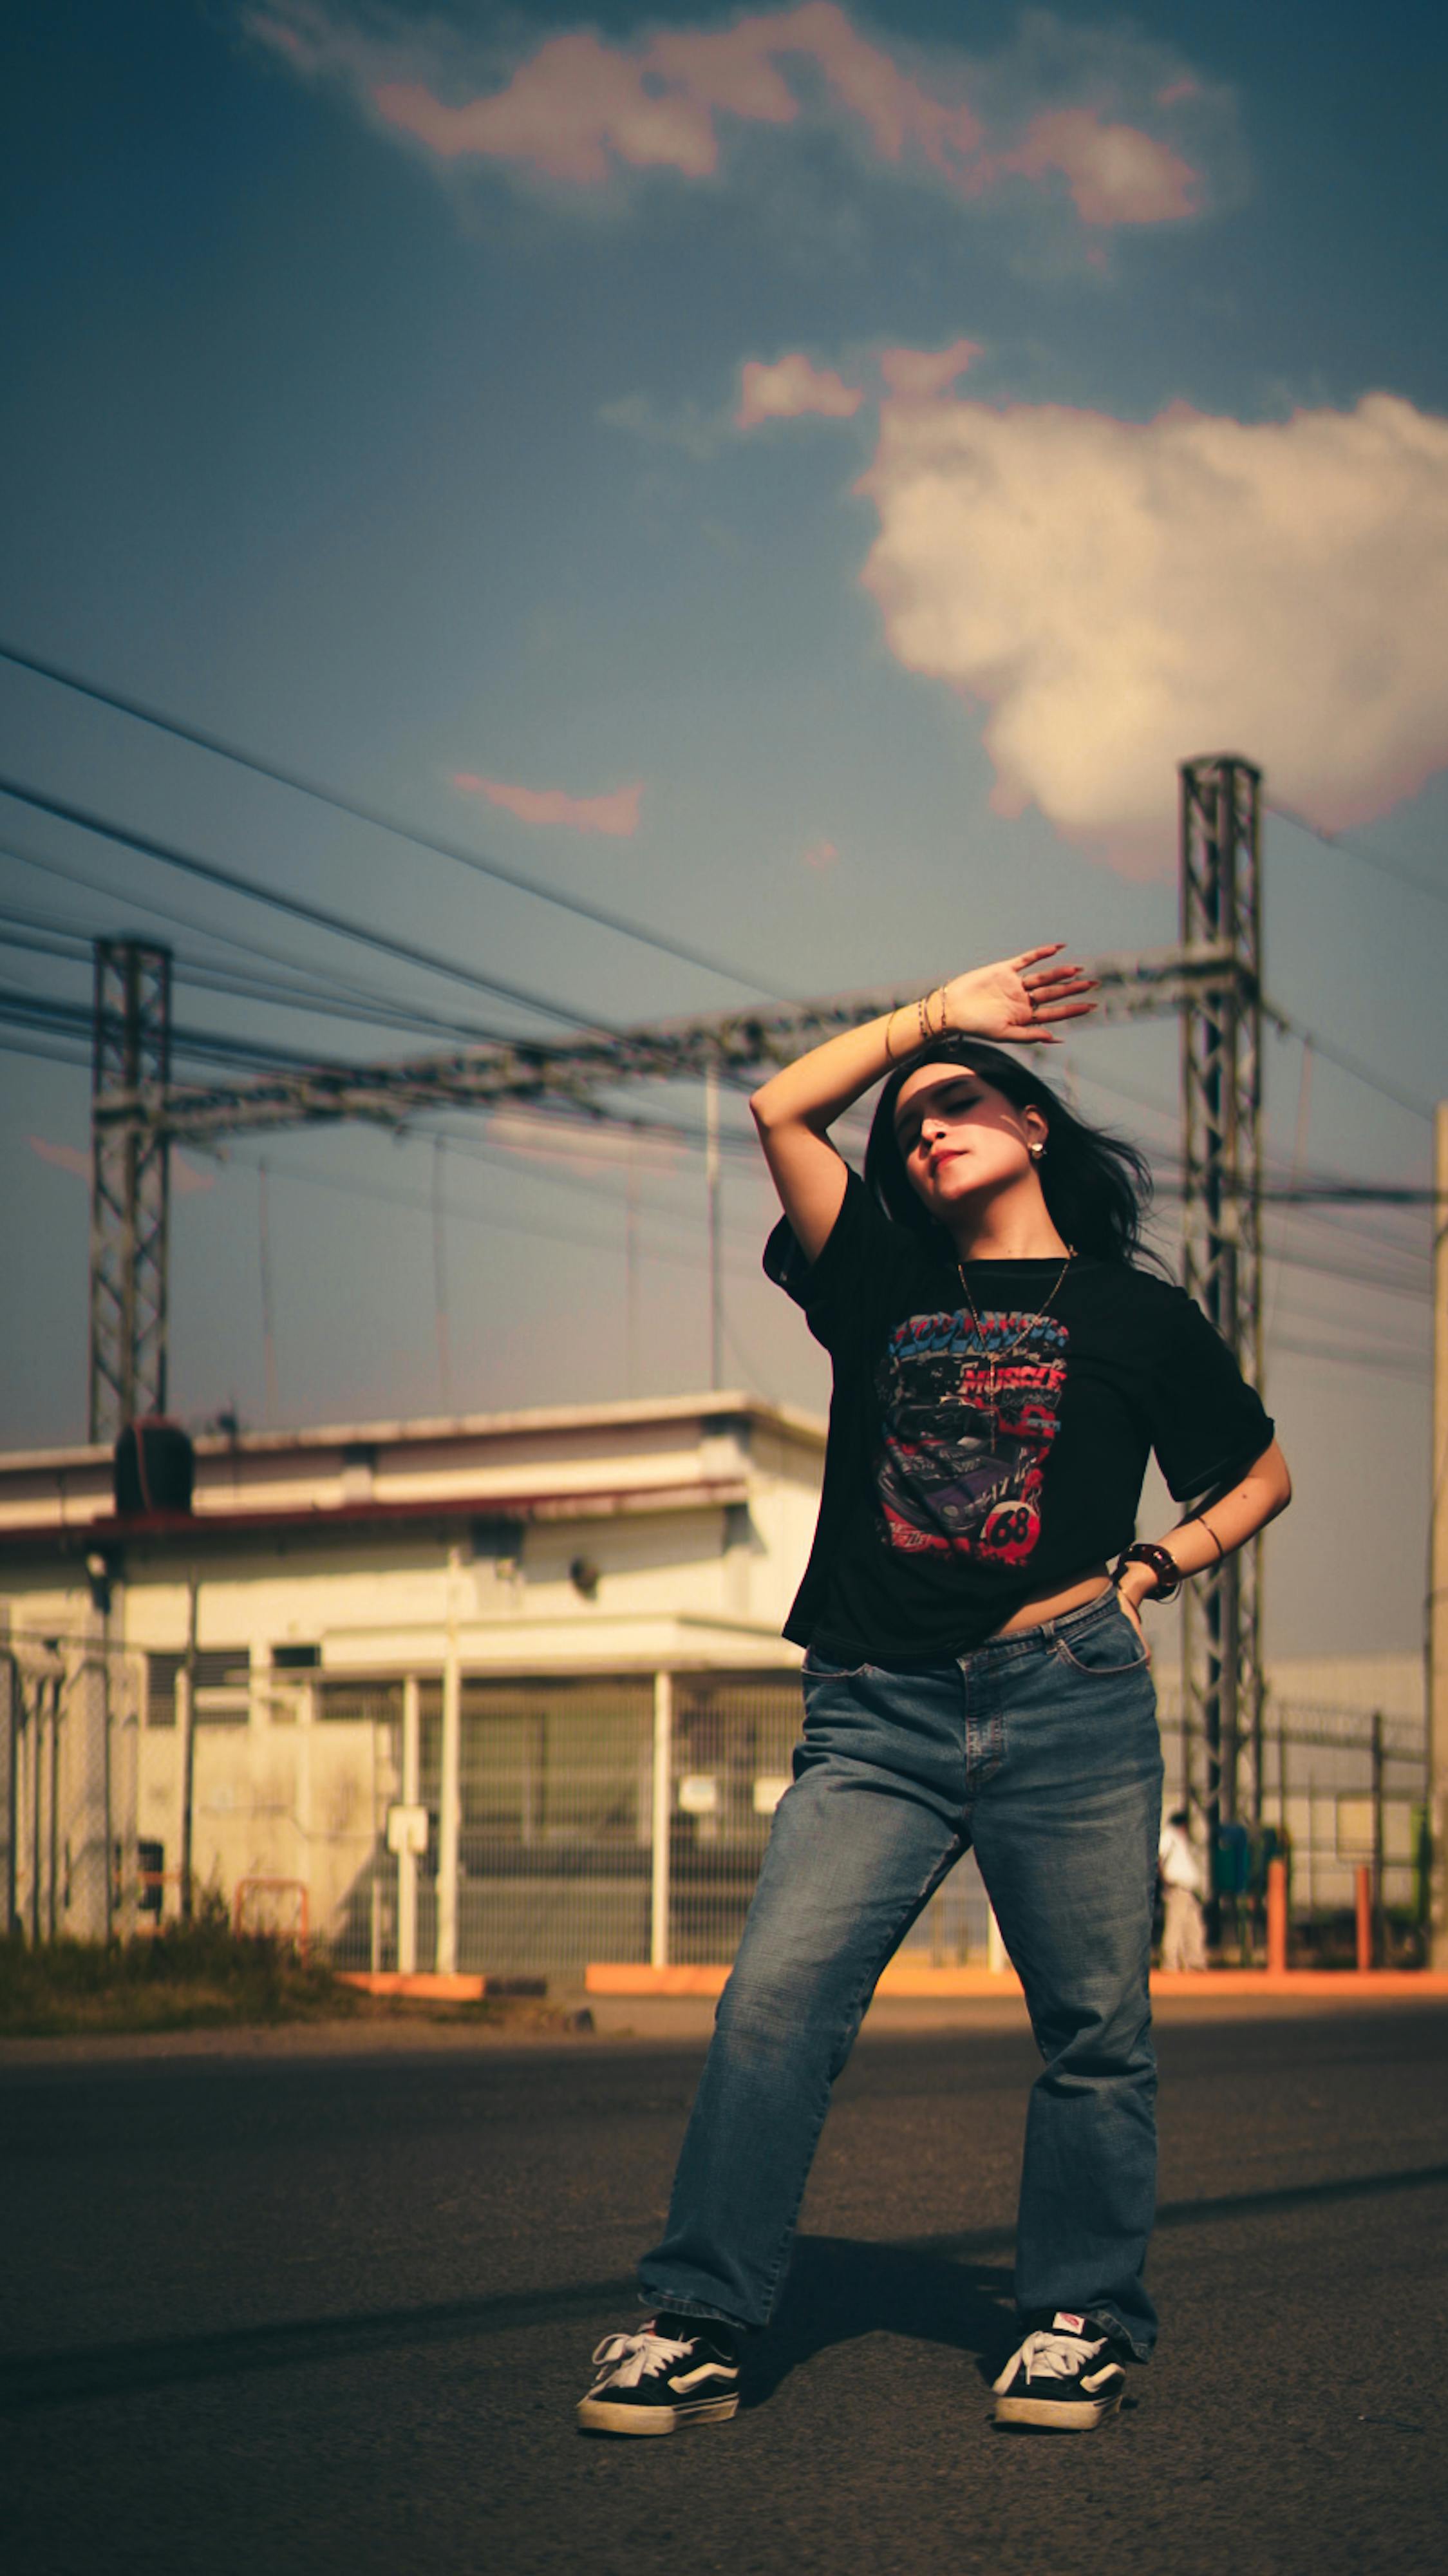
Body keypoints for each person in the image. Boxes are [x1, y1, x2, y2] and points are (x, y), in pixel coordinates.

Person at [577, 947, 1291, 2438]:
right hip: (876, 1713)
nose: (922, 1124)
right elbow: (781, 1106)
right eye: (907, 1123)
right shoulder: (879, 1279)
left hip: (1068, 1693)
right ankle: (701, 2314)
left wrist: (1153, 1568)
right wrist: (928, 1023)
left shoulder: (1136, 1315)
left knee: (1092, 2020)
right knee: (774, 1999)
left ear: (1035, 1127)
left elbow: (1261, 1470)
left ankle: (1078, 2313)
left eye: (959, 1103)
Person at [1158, 1806, 1208, 1971]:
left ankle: (1195, 1962)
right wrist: (1165, 1881)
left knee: (1193, 1926)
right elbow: (1159, 1858)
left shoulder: (1180, 1841)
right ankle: (1170, 1963)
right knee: (1175, 1926)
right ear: (1183, 1825)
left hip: (1189, 1890)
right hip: (1177, 1888)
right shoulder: (1169, 1837)